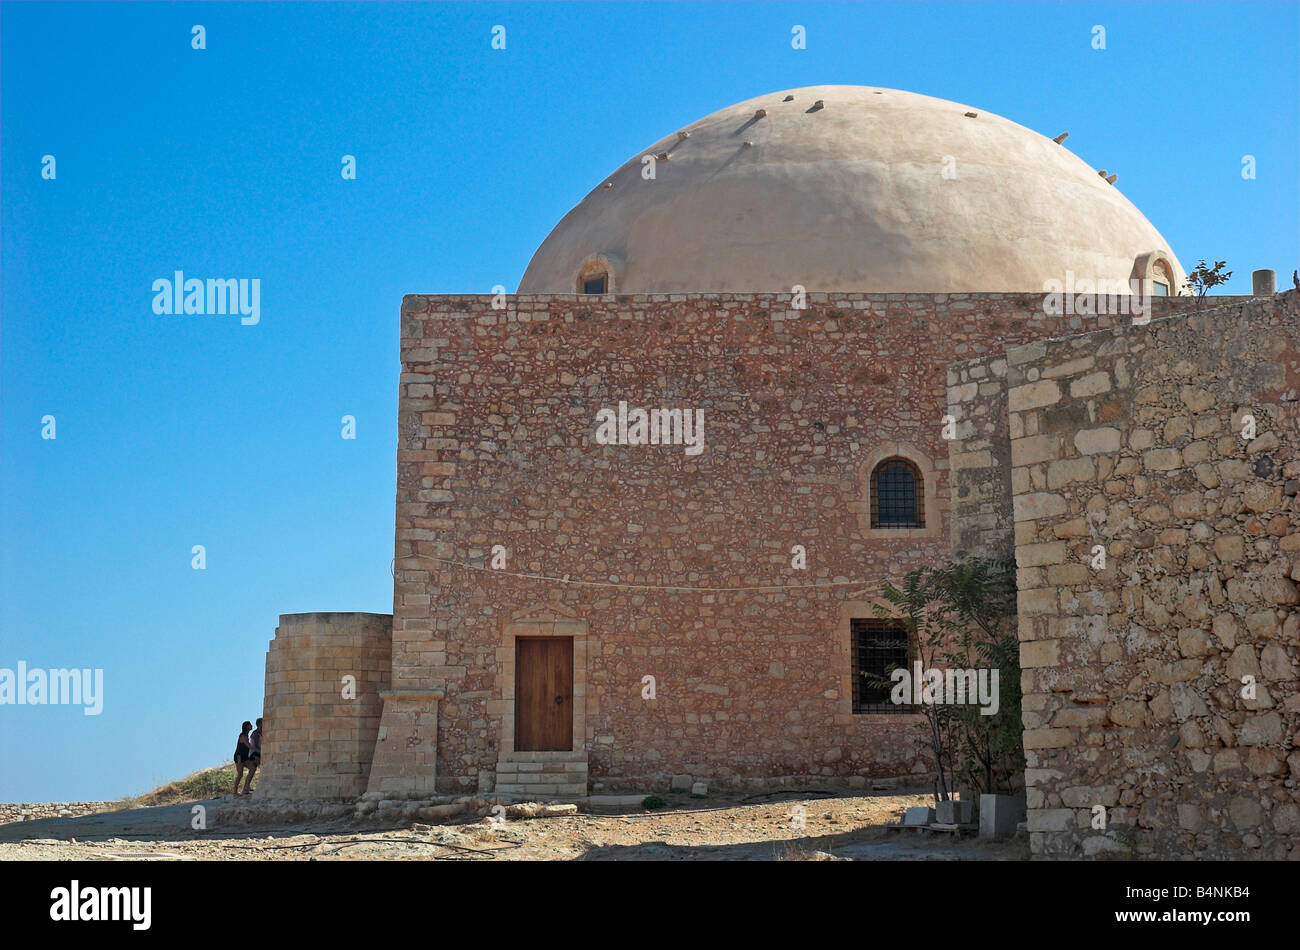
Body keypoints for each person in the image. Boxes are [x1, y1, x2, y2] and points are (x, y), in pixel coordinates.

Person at [242, 717, 263, 794]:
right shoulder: (256, 733)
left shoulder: (261, 732)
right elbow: (255, 746)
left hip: (258, 752)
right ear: (260, 724)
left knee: (253, 769)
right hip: (254, 753)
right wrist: (261, 752)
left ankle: (246, 787)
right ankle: (246, 787)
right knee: (253, 769)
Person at [233, 721, 254, 795]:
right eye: (250, 725)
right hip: (239, 757)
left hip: (245, 757)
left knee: (252, 768)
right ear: (246, 727)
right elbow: (249, 746)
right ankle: (235, 791)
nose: (251, 725)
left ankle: (246, 787)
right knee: (240, 774)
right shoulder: (243, 736)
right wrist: (259, 750)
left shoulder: (246, 735)